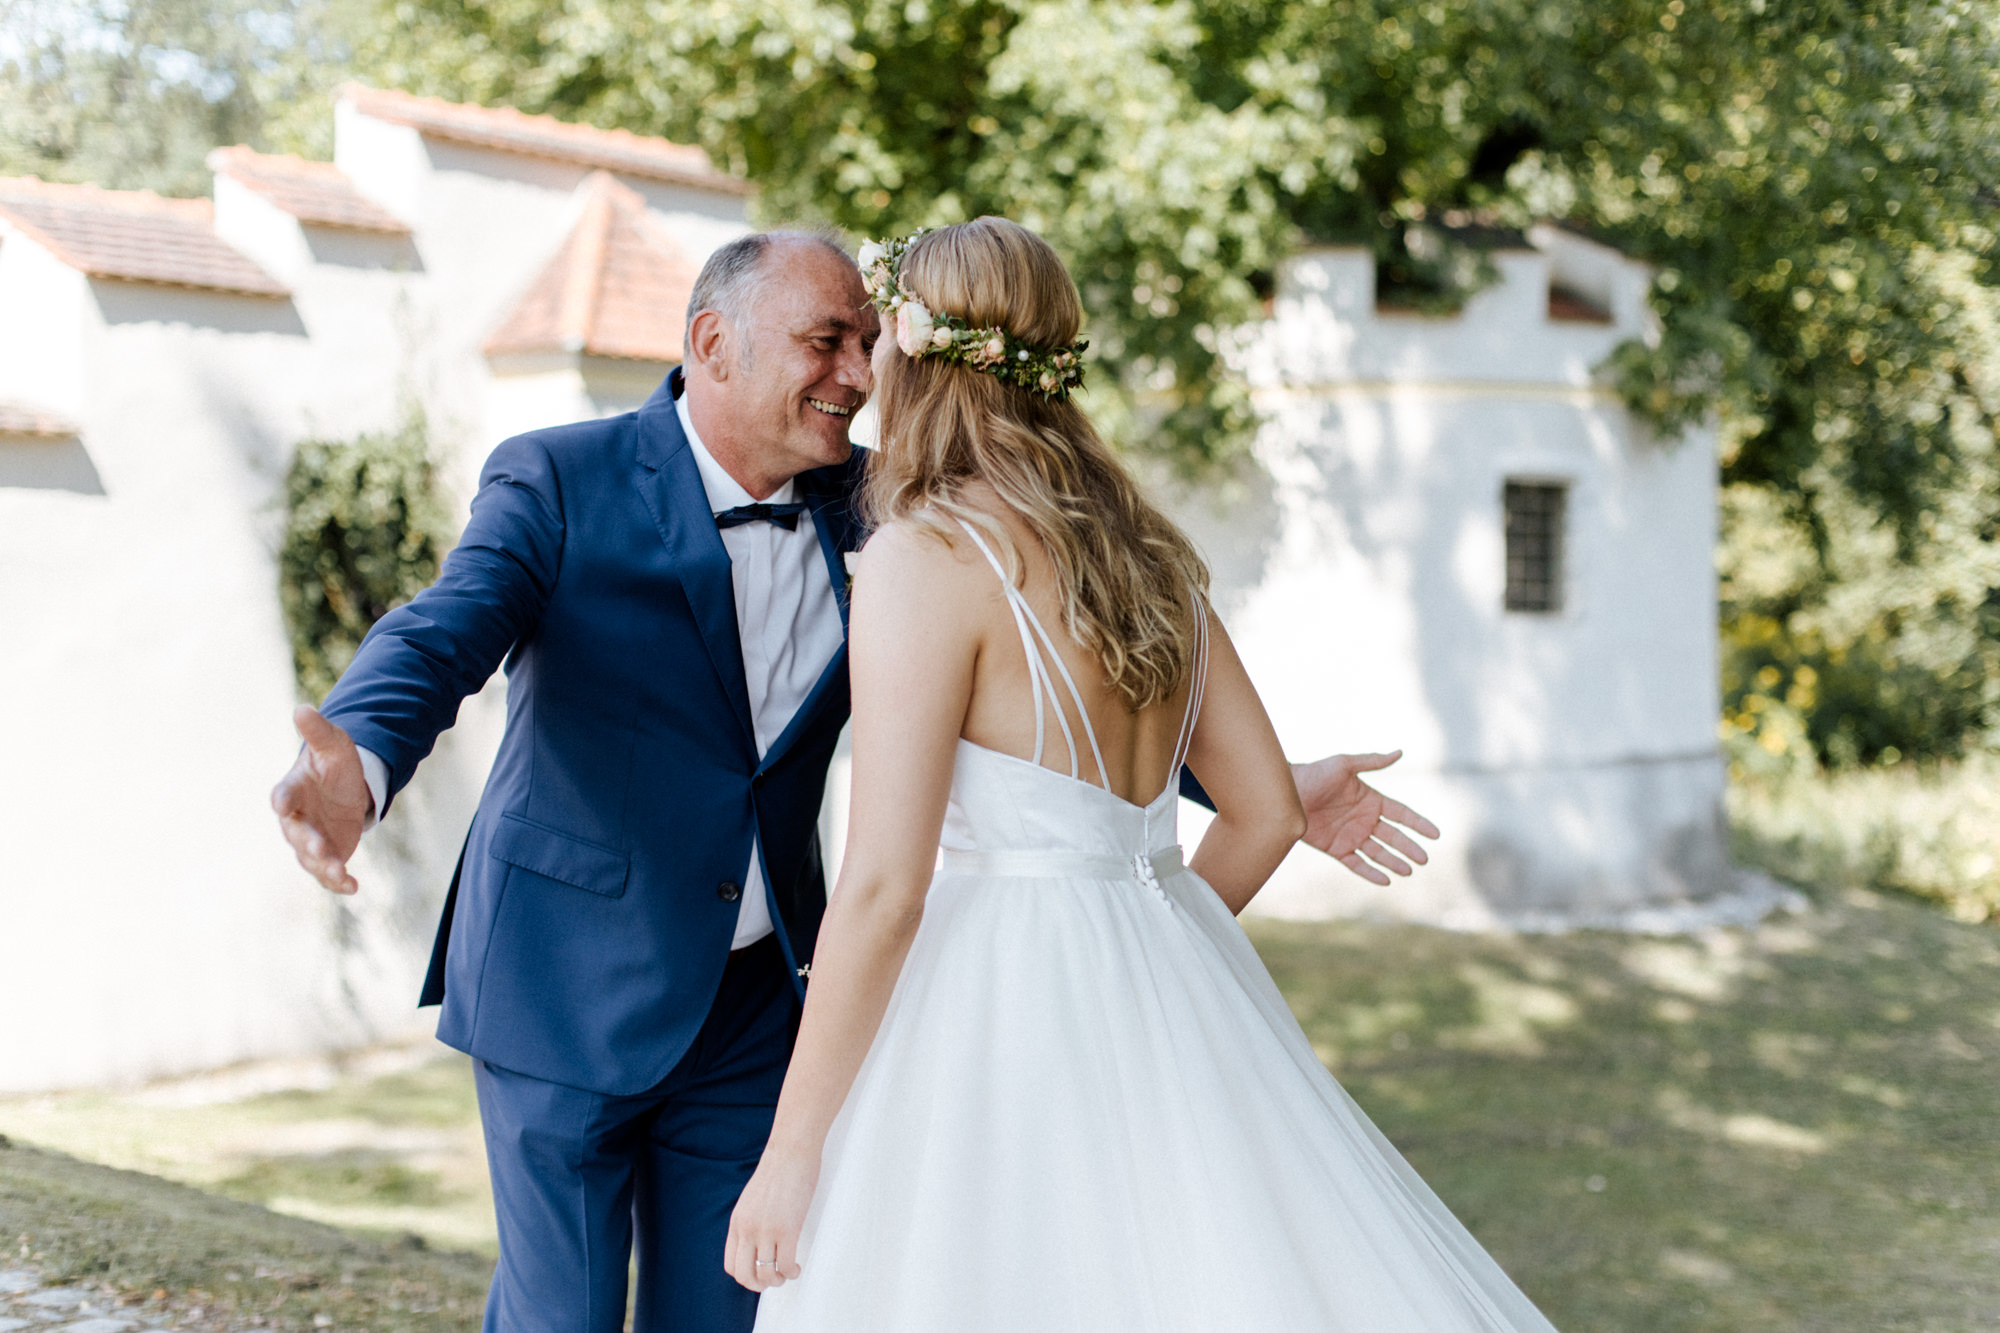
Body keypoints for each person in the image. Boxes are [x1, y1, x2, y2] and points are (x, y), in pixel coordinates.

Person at [270, 229, 1438, 1333]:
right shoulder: (559, 475)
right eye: (824, 341)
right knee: (560, 1316)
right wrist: (359, 757)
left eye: (868, 340)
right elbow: (446, 628)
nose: (857, 373)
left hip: (757, 1003)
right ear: (712, 342)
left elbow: (1040, 688)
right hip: (564, 980)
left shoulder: (895, 511)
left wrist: (1250, 782)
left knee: (733, 1307)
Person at [727, 219, 1557, 1332]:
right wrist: (1134, 954)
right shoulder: (1147, 554)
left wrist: (791, 1151)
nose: (865, 368)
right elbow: (1265, 812)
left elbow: (883, 888)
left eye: (876, 338)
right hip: (1169, 970)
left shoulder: (924, 556)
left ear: (917, 358)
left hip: (986, 1014)